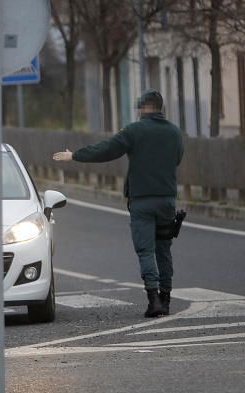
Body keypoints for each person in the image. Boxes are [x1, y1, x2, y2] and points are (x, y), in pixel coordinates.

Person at [52, 90, 184, 318]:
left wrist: (75, 156)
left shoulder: (134, 131)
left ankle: (153, 300)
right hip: (166, 200)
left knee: (146, 250)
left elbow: (107, 150)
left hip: (142, 201)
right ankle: (166, 298)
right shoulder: (174, 132)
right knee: (164, 250)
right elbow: (178, 158)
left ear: (143, 108)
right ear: (161, 108)